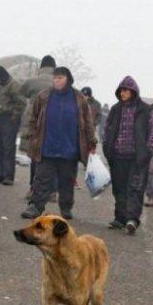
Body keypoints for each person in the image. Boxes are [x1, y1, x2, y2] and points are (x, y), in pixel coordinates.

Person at [22, 67, 96, 220]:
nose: (57, 80)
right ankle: (35, 206)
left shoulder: (79, 98)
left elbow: (87, 122)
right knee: (41, 179)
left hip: (69, 149)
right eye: (55, 77)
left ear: (68, 79)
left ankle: (66, 208)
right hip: (47, 147)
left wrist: (91, 141)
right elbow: (33, 117)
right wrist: (31, 134)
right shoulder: (44, 96)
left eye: (60, 77)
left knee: (67, 182)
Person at [103, 76, 153, 234]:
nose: (122, 93)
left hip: (137, 158)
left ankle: (132, 219)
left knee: (135, 189)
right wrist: (107, 147)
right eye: (121, 90)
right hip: (118, 156)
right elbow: (107, 129)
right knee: (119, 189)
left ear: (133, 91)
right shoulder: (115, 109)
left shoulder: (146, 110)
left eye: (125, 90)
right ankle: (119, 218)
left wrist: (147, 151)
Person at [20, 55, 56, 191]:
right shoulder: (58, 81)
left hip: (35, 123)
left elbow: (22, 93)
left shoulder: (32, 81)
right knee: (51, 158)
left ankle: (33, 187)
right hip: (53, 123)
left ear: (41, 67)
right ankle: (51, 190)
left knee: (35, 156)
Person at [0, 65, 25, 185]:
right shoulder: (0, 86)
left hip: (9, 119)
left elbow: (21, 102)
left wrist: (14, 116)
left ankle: (8, 176)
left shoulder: (14, 85)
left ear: (0, 76)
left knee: (8, 148)